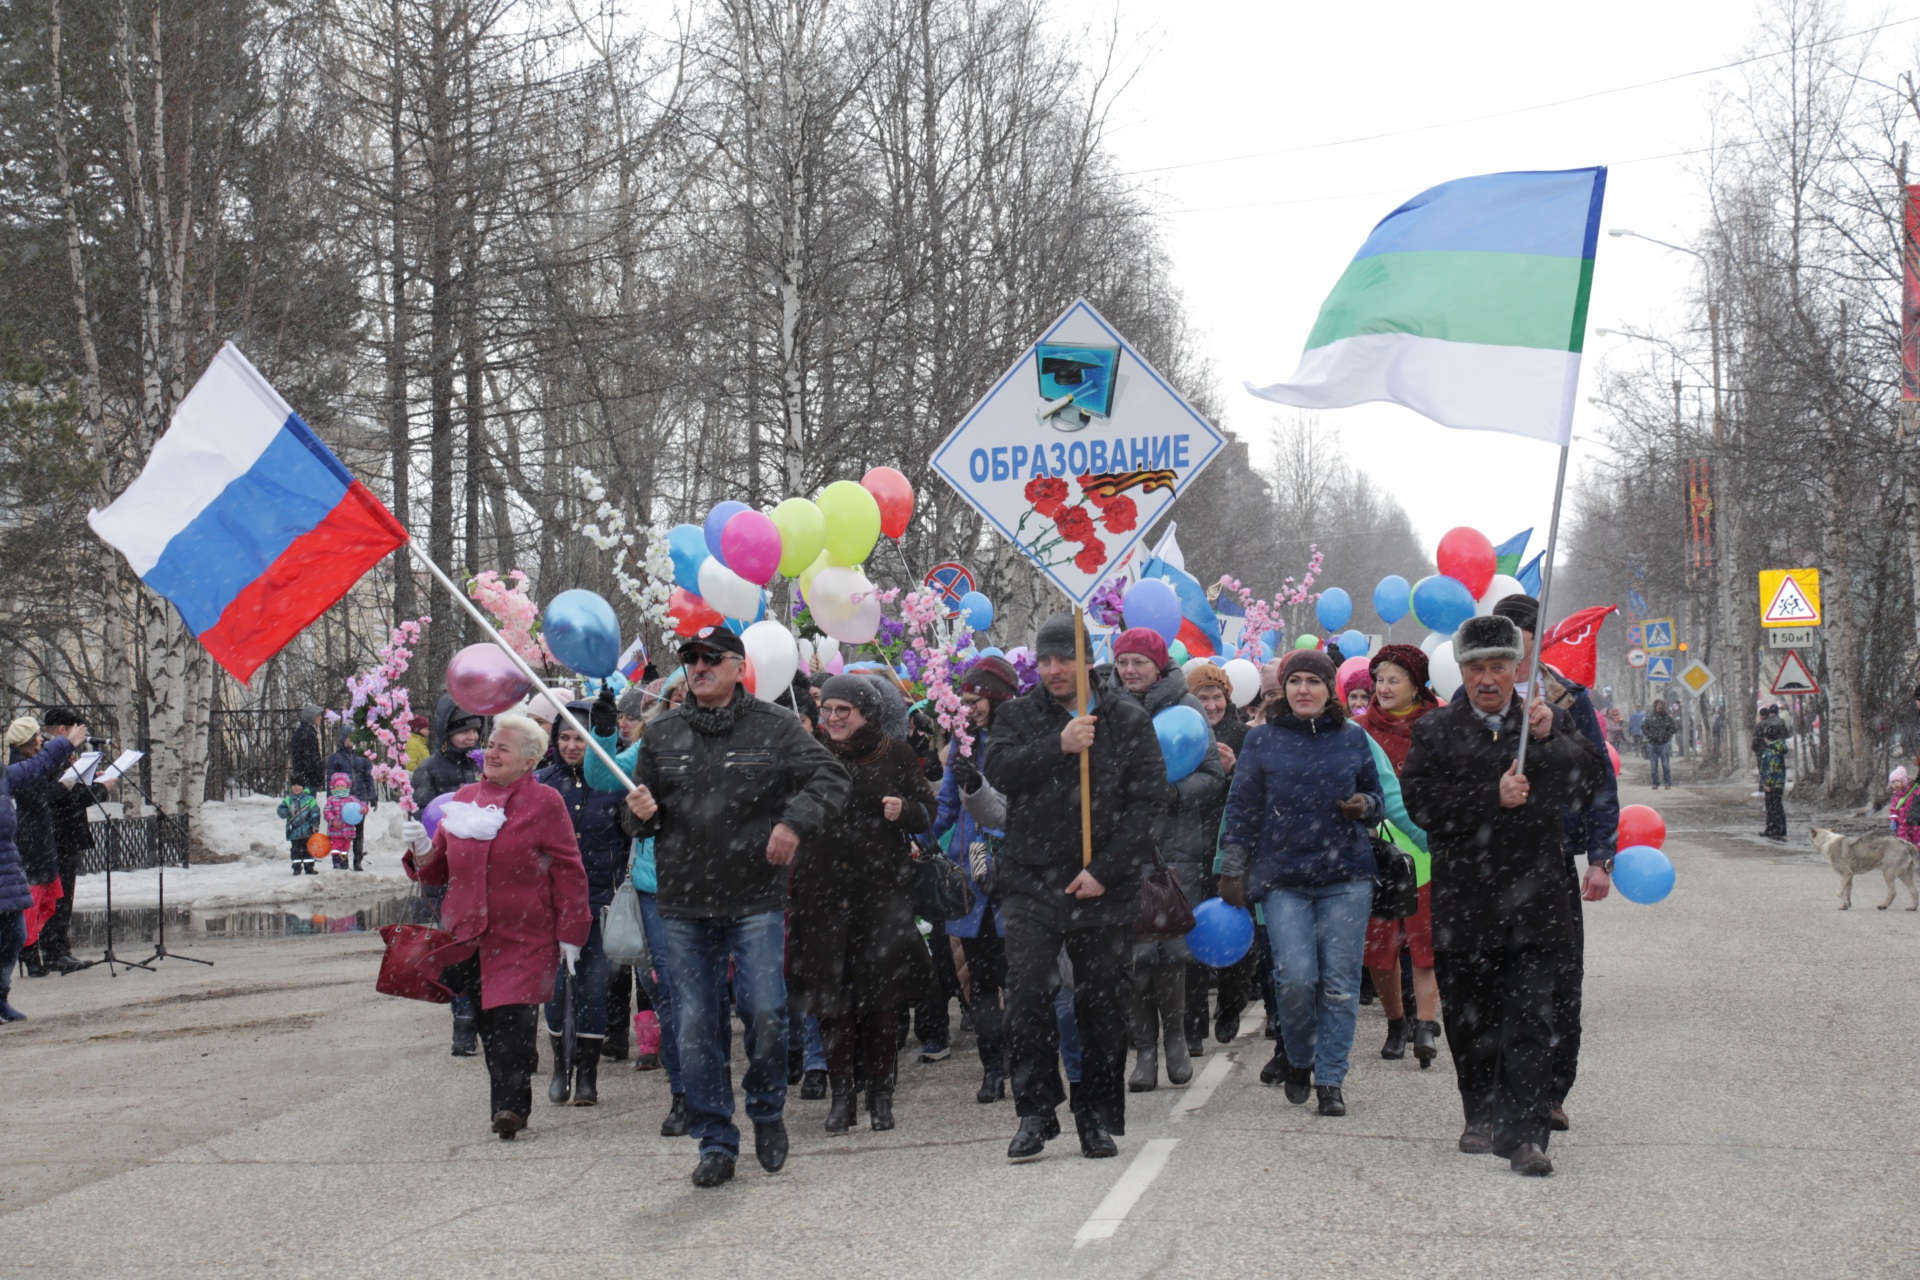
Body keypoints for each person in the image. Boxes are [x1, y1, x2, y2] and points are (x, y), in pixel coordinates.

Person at [617, 624, 851, 1189]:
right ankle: (716, 1140)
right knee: (696, 1024)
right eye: (690, 659)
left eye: (710, 658)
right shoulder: (663, 731)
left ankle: (767, 1111)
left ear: (737, 666)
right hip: (684, 903)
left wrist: (793, 823)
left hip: (754, 898)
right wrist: (639, 813)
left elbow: (831, 777)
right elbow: (639, 818)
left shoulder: (774, 725)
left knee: (765, 1012)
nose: (699, 667)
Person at [1401, 614, 1605, 1176]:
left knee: (1533, 1018)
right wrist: (1490, 797)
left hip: (1538, 902)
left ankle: (1527, 1136)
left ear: (1518, 668)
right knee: (1474, 1018)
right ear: (1462, 671)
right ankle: (1481, 1113)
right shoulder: (1436, 731)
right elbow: (1423, 806)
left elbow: (1589, 783)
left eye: (1498, 666)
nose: (1487, 678)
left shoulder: (1545, 719)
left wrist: (1549, 741)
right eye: (1476, 668)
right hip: (1468, 902)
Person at [983, 612, 1167, 1161]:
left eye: (1065, 658)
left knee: (1101, 1005)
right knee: (1027, 994)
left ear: (1088, 660)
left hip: (1101, 884)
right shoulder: (1017, 714)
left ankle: (1095, 1113)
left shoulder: (1127, 720)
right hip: (1031, 880)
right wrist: (1057, 745)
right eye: (1044, 660)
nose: (1054, 669)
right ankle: (1036, 1110)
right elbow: (1000, 770)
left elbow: (1148, 805)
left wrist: (1104, 870)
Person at [402, 713, 591, 1140]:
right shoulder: (465, 797)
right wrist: (420, 848)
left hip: (526, 933)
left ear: (528, 761)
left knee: (513, 1020)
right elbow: (437, 870)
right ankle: (509, 1098)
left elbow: (568, 869)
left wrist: (572, 932)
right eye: (490, 745)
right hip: (468, 934)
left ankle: (509, 1108)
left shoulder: (545, 802)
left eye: (502, 748)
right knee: (488, 1023)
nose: (490, 753)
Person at [1218, 648, 1382, 1118]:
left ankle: (1330, 1078)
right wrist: (1232, 867)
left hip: (1346, 875)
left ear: (1330, 690)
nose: (1303, 690)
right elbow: (1242, 809)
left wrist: (1365, 806)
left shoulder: (1353, 737)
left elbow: (1378, 799)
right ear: (1283, 689)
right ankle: (1300, 1055)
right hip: (1282, 877)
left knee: (1339, 983)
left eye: (1313, 681)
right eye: (1295, 681)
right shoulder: (1261, 740)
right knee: (1294, 977)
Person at [1490, 595, 1618, 1132]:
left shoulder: (1567, 699)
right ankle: (1502, 1090)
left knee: (1561, 984)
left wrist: (1601, 857)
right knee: (1494, 983)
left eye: (1523, 635)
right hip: (1492, 863)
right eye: (1504, 634)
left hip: (1553, 859)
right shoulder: (1475, 696)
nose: (1514, 648)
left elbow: (1598, 780)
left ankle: (1552, 1090)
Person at [789, 674, 935, 1134]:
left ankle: (881, 1093)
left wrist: (904, 811)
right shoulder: (810, 754)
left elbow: (926, 810)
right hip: (822, 893)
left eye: (843, 711)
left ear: (866, 714)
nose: (832, 718)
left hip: (881, 894)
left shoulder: (895, 753)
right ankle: (841, 1098)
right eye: (827, 709)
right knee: (833, 1002)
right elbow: (785, 808)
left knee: (881, 1000)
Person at [1104, 627, 1223, 1092]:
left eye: (1139, 662)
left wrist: (1171, 793)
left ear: (1159, 665)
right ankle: (1145, 1049)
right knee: (1134, 952)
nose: (1129, 670)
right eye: (1123, 662)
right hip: (1121, 846)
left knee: (1171, 948)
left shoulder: (1187, 706)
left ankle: (1175, 1037)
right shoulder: (1103, 707)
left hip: (1174, 847)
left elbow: (1211, 775)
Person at [587, 688, 691, 1133]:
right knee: (671, 989)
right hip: (657, 887)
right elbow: (602, 775)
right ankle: (684, 1092)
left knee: (708, 993)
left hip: (717, 885)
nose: (684, 703)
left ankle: (710, 1078)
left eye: (691, 695)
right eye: (675, 696)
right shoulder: (654, 742)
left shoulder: (739, 737)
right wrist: (604, 732)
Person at [931, 654, 1022, 1105]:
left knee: (1020, 982)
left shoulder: (1023, 738)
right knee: (983, 982)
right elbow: (946, 807)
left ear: (998, 697)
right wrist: (914, 832)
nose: (968, 710)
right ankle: (991, 1069)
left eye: (975, 701)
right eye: (962, 702)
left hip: (1016, 876)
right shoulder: (964, 745)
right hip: (971, 878)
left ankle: (1021, 1062)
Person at [1354, 643, 1443, 1066]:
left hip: (1427, 843)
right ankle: (1396, 1021)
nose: (1383, 688)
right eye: (1379, 680)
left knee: (1425, 942)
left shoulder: (1438, 726)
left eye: (1394, 680)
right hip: (1379, 847)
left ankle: (1425, 1024)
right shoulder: (1359, 730)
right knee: (1380, 944)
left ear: (1416, 685)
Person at [537, 705, 628, 1107]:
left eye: (582, 738)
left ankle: (587, 1075)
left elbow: (630, 840)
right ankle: (561, 1067)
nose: (572, 746)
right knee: (556, 989)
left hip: (598, 902)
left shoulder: (617, 784)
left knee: (591, 987)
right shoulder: (542, 784)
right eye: (565, 737)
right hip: (549, 906)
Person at [411, 694, 485, 1055]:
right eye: (462, 731)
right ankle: (464, 1025)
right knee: (457, 951)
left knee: (487, 952)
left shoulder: (485, 763)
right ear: (445, 733)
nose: (471, 737)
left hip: (485, 872)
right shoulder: (429, 770)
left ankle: (489, 1022)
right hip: (448, 872)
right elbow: (423, 815)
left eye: (474, 730)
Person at [2, 715, 83, 1020]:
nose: (41, 740)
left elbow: (39, 768)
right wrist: (63, 784)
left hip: (12, 861)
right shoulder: (12, 771)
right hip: (24, 851)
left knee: (16, 931)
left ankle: (2, 994)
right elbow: (39, 795)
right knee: (18, 925)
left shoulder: (8, 775)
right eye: (37, 736)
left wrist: (65, 749)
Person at [1183, 660, 1245, 1051]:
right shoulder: (1182, 733)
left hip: (1230, 847)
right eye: (1202, 696)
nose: (1211, 704)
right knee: (1190, 932)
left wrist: (1233, 770)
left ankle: (1230, 1004)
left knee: (1232, 929)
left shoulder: (1244, 735)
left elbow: (1253, 792)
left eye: (1216, 696)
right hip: (1189, 845)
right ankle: (1193, 1023)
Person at [37, 707, 109, 973]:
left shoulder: (57, 757)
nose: (81, 737)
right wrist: (101, 789)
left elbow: (70, 791)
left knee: (63, 897)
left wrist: (92, 782)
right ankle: (54, 951)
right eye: (77, 731)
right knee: (58, 898)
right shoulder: (50, 758)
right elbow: (66, 799)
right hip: (58, 836)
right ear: (62, 730)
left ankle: (61, 949)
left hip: (63, 836)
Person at [325, 730, 377, 870]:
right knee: (342, 832)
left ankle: (357, 860)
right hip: (341, 801)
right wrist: (330, 799)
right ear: (343, 739)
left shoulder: (362, 757)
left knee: (359, 830)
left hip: (359, 798)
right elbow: (330, 780)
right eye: (349, 737)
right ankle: (342, 861)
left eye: (354, 737)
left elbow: (369, 778)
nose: (351, 740)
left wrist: (372, 796)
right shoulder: (336, 758)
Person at [1753, 705, 1789, 840]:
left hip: (1773, 785)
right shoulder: (1777, 749)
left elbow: (1772, 770)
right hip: (1778, 784)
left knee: (1773, 807)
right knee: (1777, 806)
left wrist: (1767, 783)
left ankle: (1773, 828)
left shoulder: (1771, 752)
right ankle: (1778, 828)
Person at [277, 781, 321, 875]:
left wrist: (315, 824)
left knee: (308, 849)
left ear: (303, 787)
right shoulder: (288, 800)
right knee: (295, 849)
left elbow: (315, 812)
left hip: (307, 830)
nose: (296, 787)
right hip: (294, 831)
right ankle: (296, 867)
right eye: (294, 785)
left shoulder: (309, 799)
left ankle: (309, 867)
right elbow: (280, 811)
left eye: (299, 785)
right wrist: (288, 812)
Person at [289, 703, 326, 794]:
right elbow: (310, 758)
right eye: (318, 715)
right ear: (312, 717)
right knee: (308, 801)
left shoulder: (303, 732)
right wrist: (319, 774)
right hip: (308, 779)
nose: (321, 717)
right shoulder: (308, 734)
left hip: (302, 778)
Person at [1642, 700, 1676, 788]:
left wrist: (1666, 735)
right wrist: (1650, 736)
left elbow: (1673, 728)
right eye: (1657, 706)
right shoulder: (1650, 718)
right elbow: (1644, 728)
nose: (1659, 707)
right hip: (1652, 744)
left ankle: (1667, 782)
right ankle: (1655, 782)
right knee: (1653, 765)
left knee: (1665, 764)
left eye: (1661, 706)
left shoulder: (1668, 718)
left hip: (1664, 744)